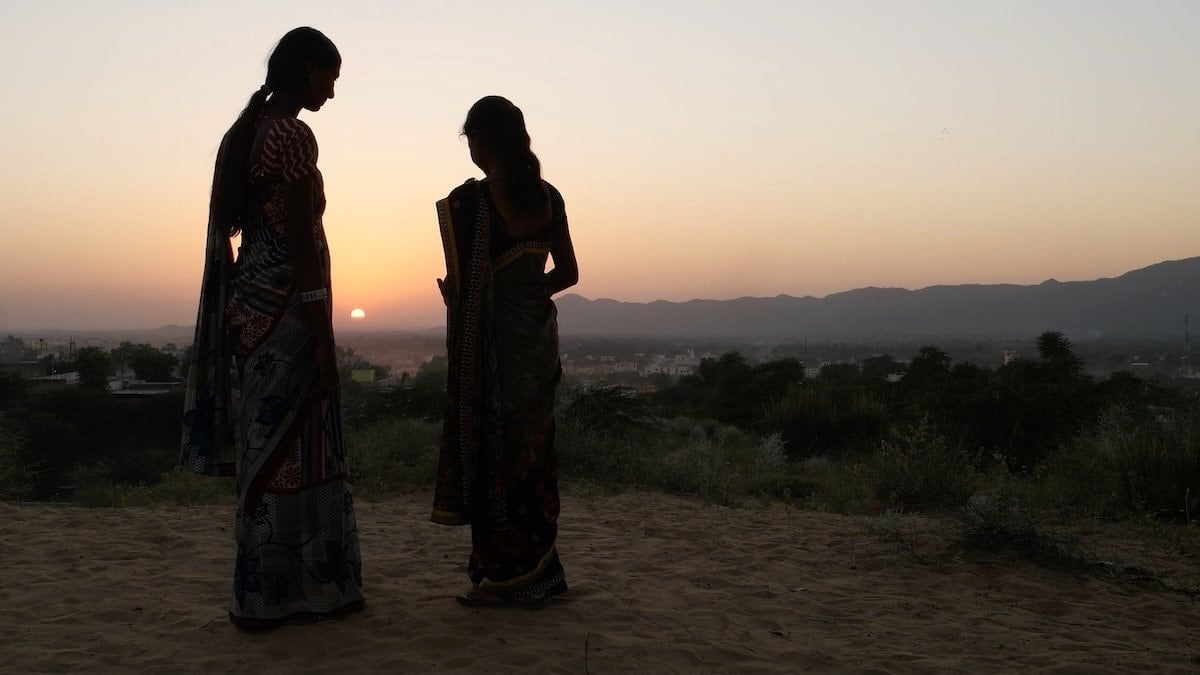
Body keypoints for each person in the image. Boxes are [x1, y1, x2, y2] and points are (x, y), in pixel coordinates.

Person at [180, 27, 363, 630]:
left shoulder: (248, 133)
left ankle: (264, 596)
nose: (333, 92)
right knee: (306, 443)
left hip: (253, 310)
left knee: (271, 445)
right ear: (309, 69)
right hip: (288, 311)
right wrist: (321, 325)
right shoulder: (289, 134)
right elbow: (303, 240)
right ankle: (311, 590)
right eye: (330, 77)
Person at [433, 95, 579, 607]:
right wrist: (530, 295)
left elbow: (466, 290)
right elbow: (568, 274)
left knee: (495, 452)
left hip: (494, 350)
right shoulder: (549, 196)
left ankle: (504, 576)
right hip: (537, 344)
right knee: (534, 455)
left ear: (482, 140)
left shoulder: (470, 204)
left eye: (470, 139)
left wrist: (461, 299)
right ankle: (542, 569)